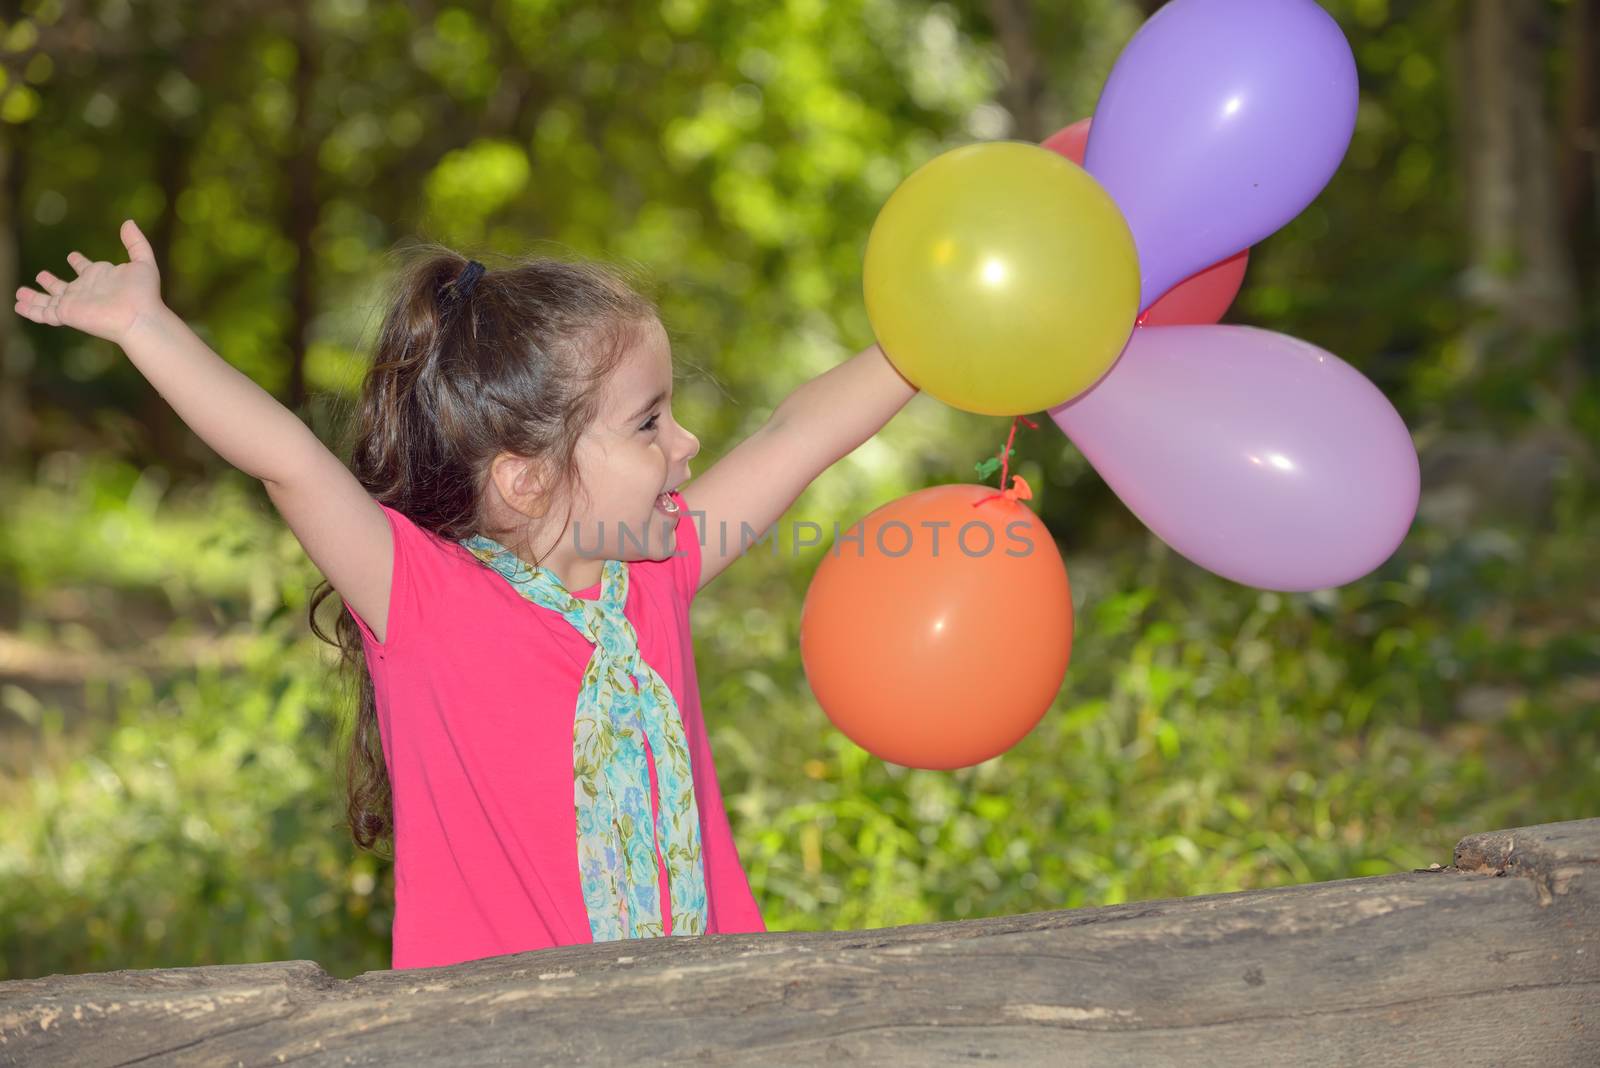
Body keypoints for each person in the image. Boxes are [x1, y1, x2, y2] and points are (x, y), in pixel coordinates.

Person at [14, 220, 919, 969]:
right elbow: (287, 459)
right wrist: (145, 327)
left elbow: (798, 433)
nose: (685, 445)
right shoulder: (427, 603)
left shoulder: (656, 566)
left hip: (706, 1019)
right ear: (526, 480)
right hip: (491, 1038)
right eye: (649, 422)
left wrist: (936, 343)